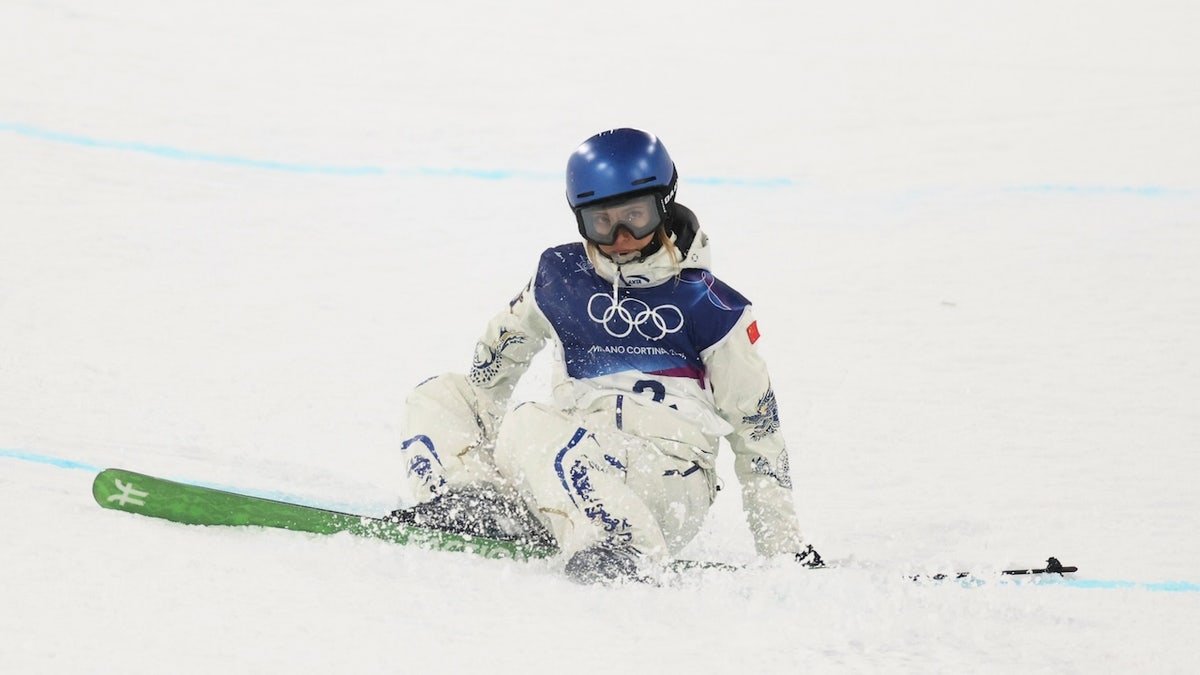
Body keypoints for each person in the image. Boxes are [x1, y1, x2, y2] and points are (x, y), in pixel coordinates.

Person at [389, 128, 823, 584]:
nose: (620, 237)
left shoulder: (712, 308)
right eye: (601, 222)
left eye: (635, 216)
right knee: (439, 396)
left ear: (664, 203)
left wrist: (783, 551)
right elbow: (496, 361)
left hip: (666, 480)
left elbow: (759, 435)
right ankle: (476, 505)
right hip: (571, 464)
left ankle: (626, 543)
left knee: (528, 425)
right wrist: (478, 430)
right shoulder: (562, 278)